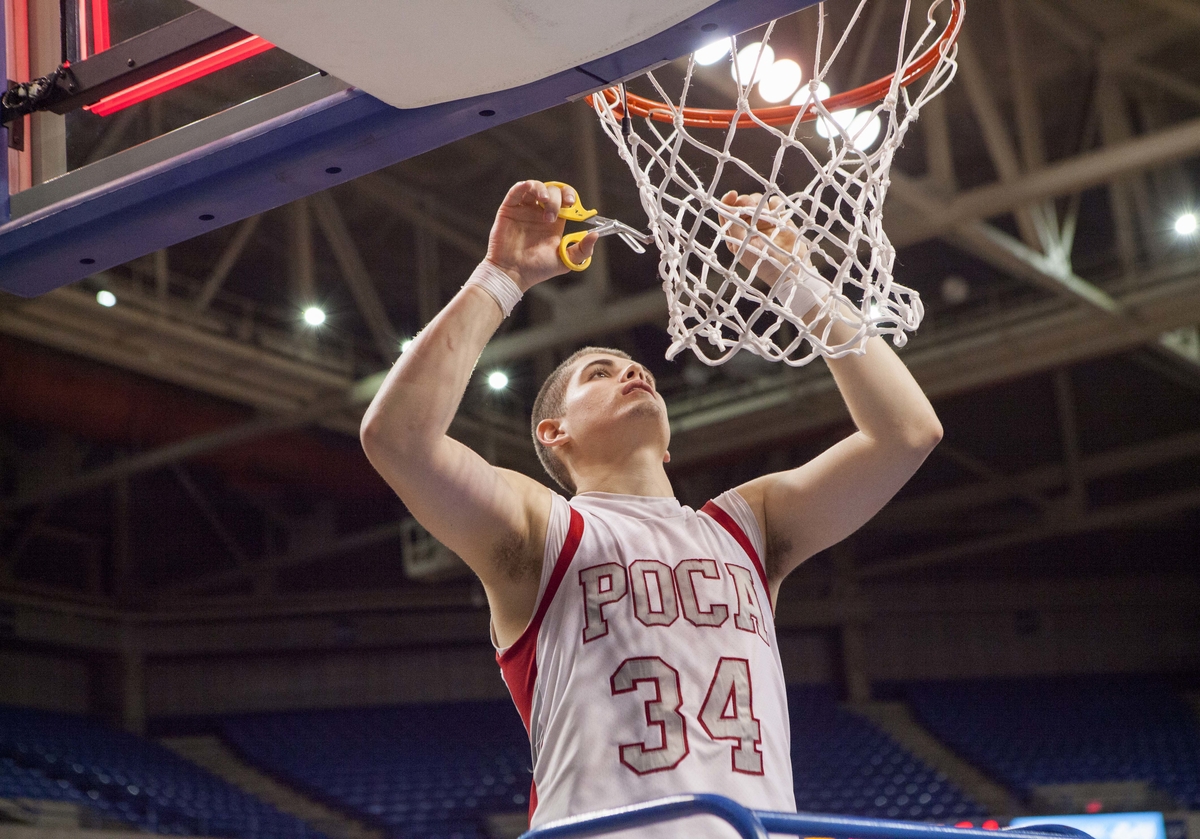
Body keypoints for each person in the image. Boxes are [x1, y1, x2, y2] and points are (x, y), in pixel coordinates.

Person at [359, 180, 942, 836]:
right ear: (553, 433)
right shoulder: (543, 528)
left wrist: (795, 277)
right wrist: (504, 276)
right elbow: (397, 438)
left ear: (667, 444)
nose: (632, 373)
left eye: (638, 370)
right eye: (599, 374)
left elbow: (908, 434)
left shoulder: (747, 524)